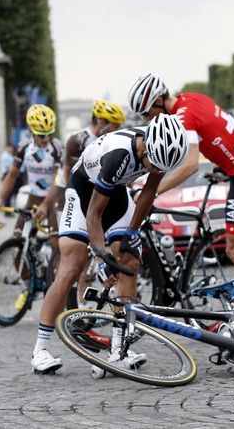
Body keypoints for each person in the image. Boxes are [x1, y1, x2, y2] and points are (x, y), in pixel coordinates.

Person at [29, 114, 189, 374]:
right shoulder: (118, 155)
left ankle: (118, 350)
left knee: (129, 261)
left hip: (116, 193)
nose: (153, 170)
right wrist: (101, 256)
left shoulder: (159, 151)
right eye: (152, 164)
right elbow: (93, 214)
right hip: (83, 191)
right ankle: (41, 350)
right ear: (145, 145)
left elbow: (148, 191)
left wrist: (132, 233)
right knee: (71, 266)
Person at [128, 72, 234, 311]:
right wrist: (225, 161)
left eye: (146, 112)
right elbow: (221, 130)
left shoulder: (183, 117)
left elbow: (190, 164)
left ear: (158, 101)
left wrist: (151, 191)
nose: (146, 118)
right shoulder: (190, 98)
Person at [59, 99, 126, 307]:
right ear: (101, 121)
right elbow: (69, 173)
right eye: (114, 126)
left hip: (102, 191)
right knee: (79, 250)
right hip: (77, 192)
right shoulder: (77, 140)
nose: (116, 130)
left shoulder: (113, 141)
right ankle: (79, 297)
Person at [0, 105, 63, 246]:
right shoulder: (23, 147)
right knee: (16, 244)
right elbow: (12, 175)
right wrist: (0, 200)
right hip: (33, 198)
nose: (46, 138)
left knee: (56, 245)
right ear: (30, 131)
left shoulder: (58, 148)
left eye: (50, 133)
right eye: (41, 135)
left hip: (54, 200)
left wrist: (46, 205)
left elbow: (56, 179)